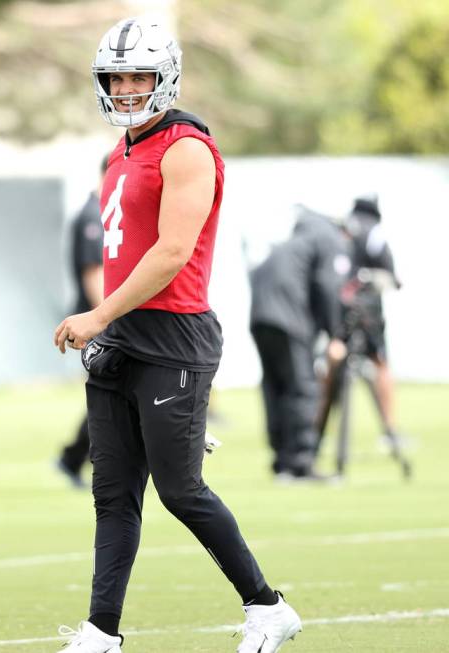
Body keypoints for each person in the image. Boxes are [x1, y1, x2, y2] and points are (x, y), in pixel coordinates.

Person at [53, 17, 301, 653]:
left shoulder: (186, 146)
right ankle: (100, 632)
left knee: (181, 491)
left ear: (165, 75)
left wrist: (96, 316)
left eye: (139, 75)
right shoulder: (121, 151)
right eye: (118, 76)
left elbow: (170, 254)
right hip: (123, 342)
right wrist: (108, 326)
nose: (129, 88)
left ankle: (268, 608)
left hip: (174, 337)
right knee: (113, 495)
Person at [249, 205, 350, 480]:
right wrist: (335, 333)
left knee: (276, 387)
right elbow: (329, 285)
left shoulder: (294, 241)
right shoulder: (328, 237)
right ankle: (301, 462)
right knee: (303, 388)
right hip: (289, 317)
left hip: (261, 317)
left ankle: (281, 460)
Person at [56, 155, 107, 488]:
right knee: (107, 398)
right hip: (97, 322)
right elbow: (94, 274)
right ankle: (74, 459)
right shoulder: (93, 216)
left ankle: (72, 459)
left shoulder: (104, 214)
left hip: (102, 319)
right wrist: (105, 319)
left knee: (107, 397)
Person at [336, 195, 401, 438]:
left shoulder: (342, 228)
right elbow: (391, 276)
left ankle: (318, 432)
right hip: (369, 312)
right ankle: (390, 430)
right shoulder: (375, 233)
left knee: (332, 360)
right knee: (381, 364)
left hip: (341, 309)